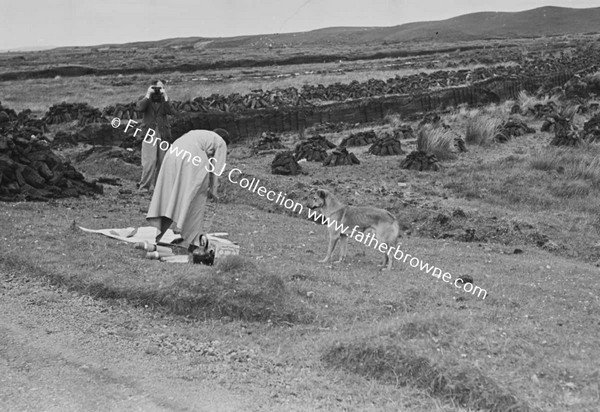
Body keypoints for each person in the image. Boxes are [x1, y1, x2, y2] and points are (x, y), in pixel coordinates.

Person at [146, 129, 230, 249]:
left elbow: (210, 167)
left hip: (173, 153)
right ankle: (193, 240)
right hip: (191, 156)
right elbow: (216, 171)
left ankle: (158, 234)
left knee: (169, 196)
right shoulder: (221, 142)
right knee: (197, 197)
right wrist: (214, 191)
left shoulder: (199, 135)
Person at [136, 80, 176, 192]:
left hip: (163, 133)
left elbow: (172, 111)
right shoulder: (145, 98)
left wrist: (166, 96)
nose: (158, 90)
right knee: (150, 161)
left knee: (163, 161)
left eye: (161, 87)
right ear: (150, 87)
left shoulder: (165, 100)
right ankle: (145, 186)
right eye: (155, 87)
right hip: (149, 133)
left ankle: (159, 188)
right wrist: (148, 95)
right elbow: (139, 108)